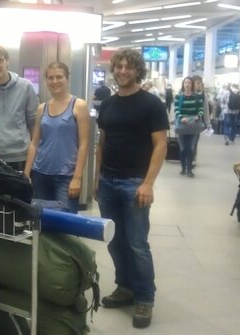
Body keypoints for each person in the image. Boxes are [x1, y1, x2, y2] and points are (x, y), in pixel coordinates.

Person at [94, 48, 168, 329]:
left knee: (137, 243)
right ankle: (124, 287)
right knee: (114, 240)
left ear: (138, 70)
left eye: (128, 67)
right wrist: (96, 177)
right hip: (109, 182)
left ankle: (145, 298)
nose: (123, 71)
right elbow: (102, 143)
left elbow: (160, 145)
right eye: (119, 66)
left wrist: (148, 183)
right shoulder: (108, 105)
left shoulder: (151, 104)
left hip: (135, 183)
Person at [23, 61, 90, 213]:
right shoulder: (42, 108)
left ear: (67, 79)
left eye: (59, 77)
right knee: (43, 222)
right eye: (50, 78)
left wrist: (77, 177)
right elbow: (34, 143)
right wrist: (26, 174)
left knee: (66, 222)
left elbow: (84, 144)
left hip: (66, 177)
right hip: (41, 174)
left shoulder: (78, 105)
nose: (55, 81)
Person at [174, 76, 203, 177]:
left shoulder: (197, 96)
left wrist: (197, 116)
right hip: (182, 125)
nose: (187, 84)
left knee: (190, 148)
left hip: (193, 126)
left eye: (189, 83)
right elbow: (176, 109)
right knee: (182, 148)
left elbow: (201, 109)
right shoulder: (179, 96)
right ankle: (183, 167)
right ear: (183, 84)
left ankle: (189, 169)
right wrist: (181, 117)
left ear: (192, 85)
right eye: (185, 83)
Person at [191, 75, 212, 166]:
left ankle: (192, 159)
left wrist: (208, 123)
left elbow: (206, 110)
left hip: (196, 123)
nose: (199, 85)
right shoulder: (184, 94)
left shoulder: (202, 96)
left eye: (200, 84)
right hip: (185, 123)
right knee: (185, 144)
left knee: (194, 141)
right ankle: (186, 158)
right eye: (198, 83)